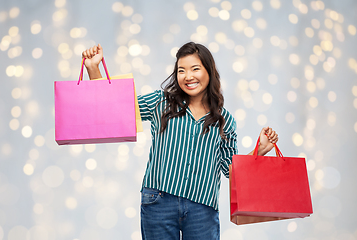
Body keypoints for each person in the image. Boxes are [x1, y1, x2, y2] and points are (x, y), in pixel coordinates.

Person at [82, 42, 278, 240]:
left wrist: (259, 151)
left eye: (195, 69)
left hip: (203, 207)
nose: (188, 76)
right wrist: (93, 68)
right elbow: (115, 110)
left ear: (209, 71)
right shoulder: (161, 102)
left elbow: (230, 170)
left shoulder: (224, 120)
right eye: (181, 70)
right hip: (159, 202)